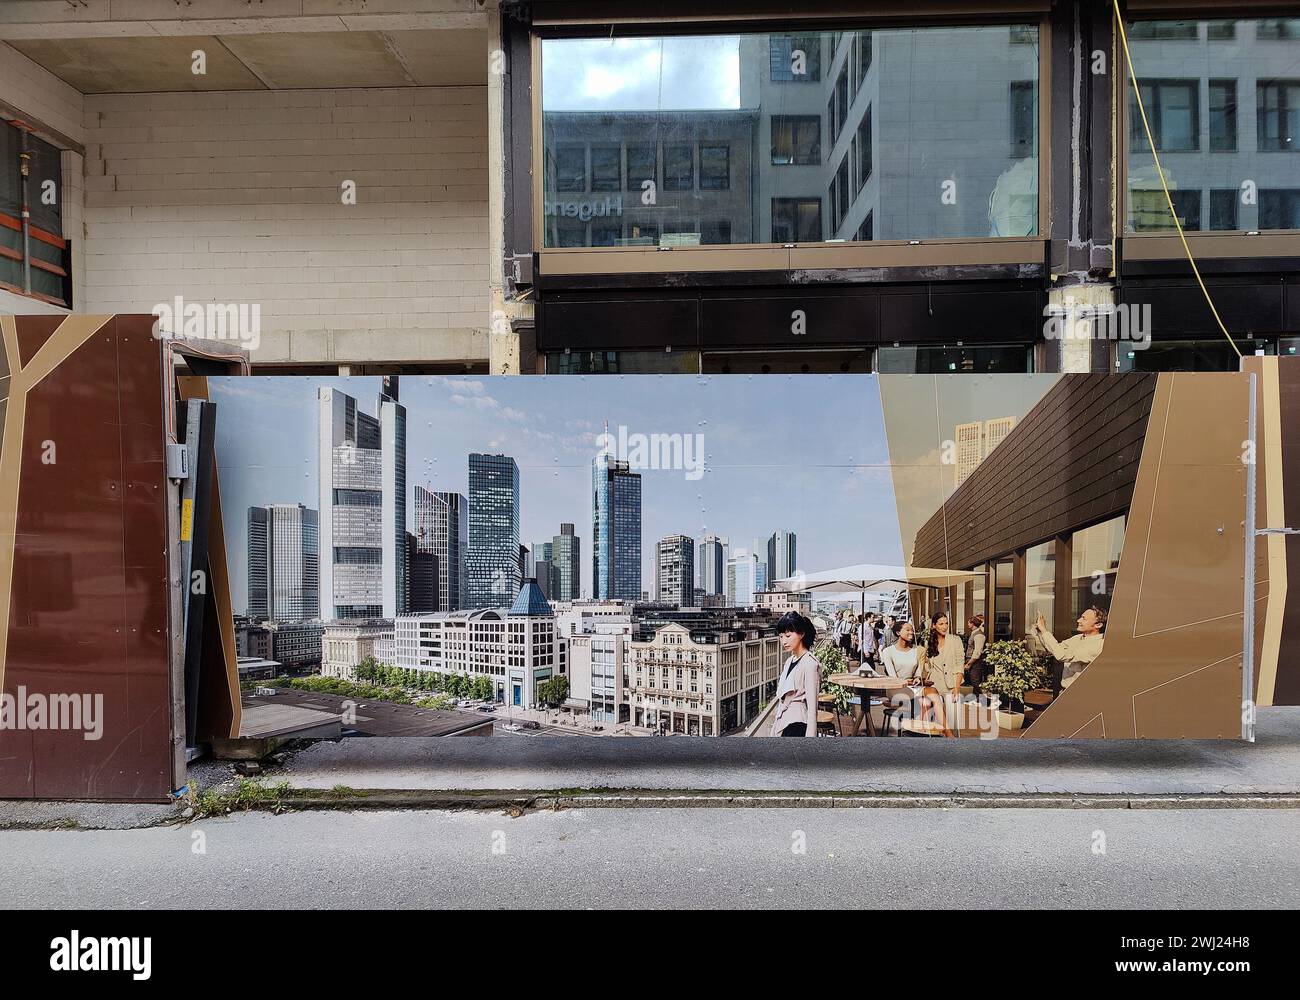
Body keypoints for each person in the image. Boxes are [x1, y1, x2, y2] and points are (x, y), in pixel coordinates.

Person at [771, 612, 822, 738]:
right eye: (781, 636)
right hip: (785, 722)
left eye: (788, 636)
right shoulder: (789, 661)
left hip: (798, 723)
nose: (784, 641)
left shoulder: (810, 664)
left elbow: (812, 708)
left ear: (802, 634)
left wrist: (810, 740)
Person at [1032, 606, 1106, 691]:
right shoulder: (1078, 638)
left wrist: (1044, 629)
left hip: (1080, 694)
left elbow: (1061, 655)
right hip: (1066, 692)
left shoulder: (1098, 645)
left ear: (1098, 624)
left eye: (1084, 619)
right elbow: (1054, 649)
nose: (1078, 620)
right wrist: (1040, 632)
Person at [918, 612, 963, 737]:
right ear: (934, 626)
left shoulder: (955, 640)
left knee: (953, 724)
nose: (944, 626)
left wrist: (957, 688)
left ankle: (953, 748)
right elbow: (928, 666)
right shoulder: (929, 643)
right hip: (934, 684)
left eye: (946, 623)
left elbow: (960, 665)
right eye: (941, 624)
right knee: (935, 722)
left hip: (952, 685)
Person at [963, 614, 987, 689]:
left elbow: (977, 652)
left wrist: (969, 663)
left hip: (975, 662)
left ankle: (983, 699)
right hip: (971, 660)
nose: (967, 624)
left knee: (975, 681)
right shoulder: (973, 633)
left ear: (972, 624)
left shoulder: (979, 635)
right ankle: (975, 698)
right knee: (972, 681)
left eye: (968, 623)